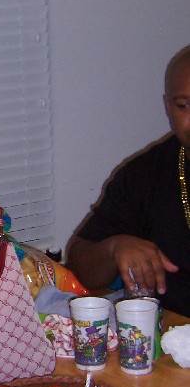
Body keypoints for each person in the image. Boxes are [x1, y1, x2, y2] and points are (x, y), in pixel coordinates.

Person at [67, 45, 190, 317]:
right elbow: (80, 266)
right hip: (171, 331)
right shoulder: (145, 174)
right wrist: (116, 247)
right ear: (168, 107)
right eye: (184, 105)